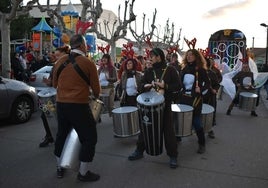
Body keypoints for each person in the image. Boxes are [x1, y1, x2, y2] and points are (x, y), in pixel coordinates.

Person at [52, 34, 101, 181]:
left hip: (60, 104)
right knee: (90, 137)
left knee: (61, 135)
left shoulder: (60, 61)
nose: (87, 47)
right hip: (79, 105)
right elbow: (96, 89)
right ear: (81, 46)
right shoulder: (88, 63)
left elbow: (55, 84)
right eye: (85, 45)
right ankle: (83, 173)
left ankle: (59, 168)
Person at [128, 47, 182, 169]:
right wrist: (146, 86)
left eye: (152, 56)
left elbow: (178, 86)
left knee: (168, 130)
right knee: (145, 128)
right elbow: (141, 86)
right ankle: (139, 151)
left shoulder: (171, 70)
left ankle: (173, 155)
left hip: (165, 104)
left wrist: (165, 86)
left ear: (159, 57)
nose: (150, 58)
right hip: (149, 105)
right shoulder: (148, 71)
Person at [39, 46, 71, 147]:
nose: (56, 58)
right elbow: (51, 82)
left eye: (58, 55)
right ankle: (49, 136)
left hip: (65, 97)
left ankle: (66, 137)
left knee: (63, 117)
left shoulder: (70, 65)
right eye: (55, 56)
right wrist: (47, 82)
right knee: (44, 114)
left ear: (65, 55)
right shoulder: (54, 66)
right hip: (53, 96)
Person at [180, 49, 210, 154]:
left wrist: (200, 90)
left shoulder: (201, 70)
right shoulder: (184, 69)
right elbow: (180, 83)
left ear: (196, 56)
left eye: (191, 55)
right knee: (180, 119)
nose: (189, 57)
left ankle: (202, 144)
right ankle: (178, 137)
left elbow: (207, 84)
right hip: (184, 98)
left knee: (197, 122)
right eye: (187, 55)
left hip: (195, 99)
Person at [203, 57, 221, 139]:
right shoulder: (198, 73)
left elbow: (217, 84)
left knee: (210, 114)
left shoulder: (212, 73)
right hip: (200, 97)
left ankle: (210, 130)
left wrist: (215, 90)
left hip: (210, 96)